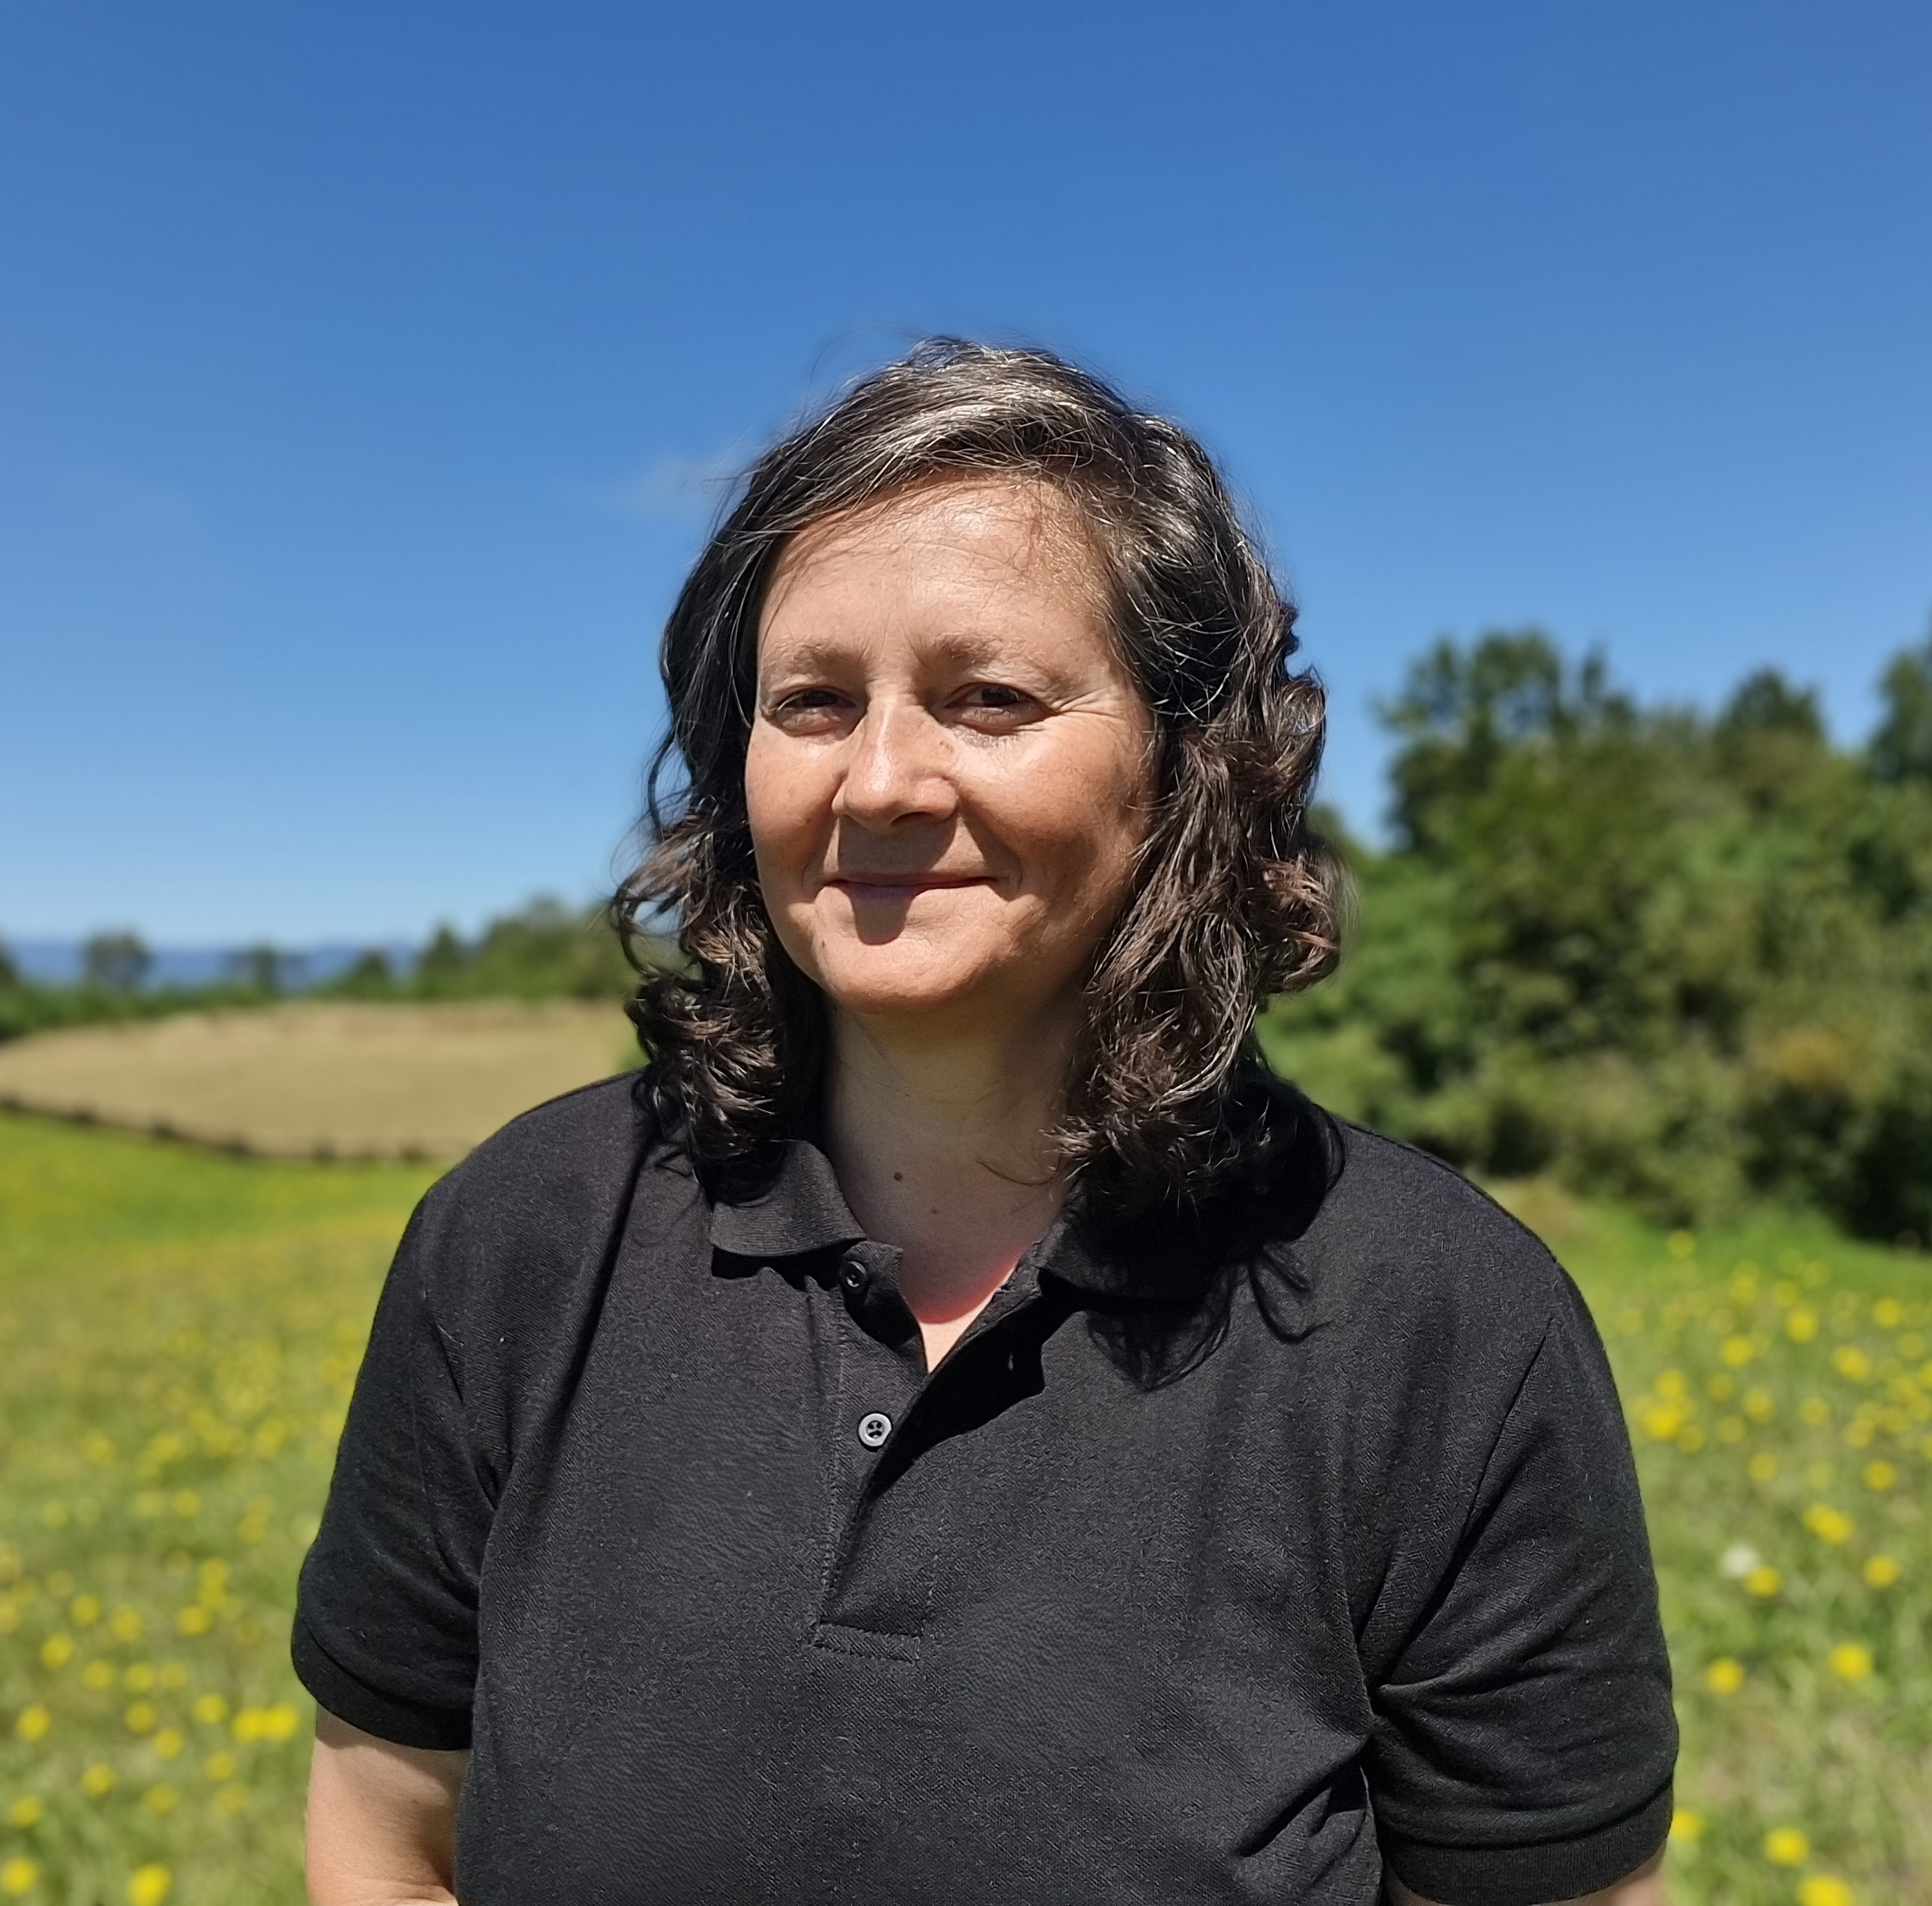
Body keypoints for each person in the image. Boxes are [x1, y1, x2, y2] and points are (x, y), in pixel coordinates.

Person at [295, 341, 1677, 1905]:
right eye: (812, 702)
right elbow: (386, 1846)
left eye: (990, 698)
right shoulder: (522, 1240)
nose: (880, 780)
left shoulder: (1443, 1327)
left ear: (1186, 766)